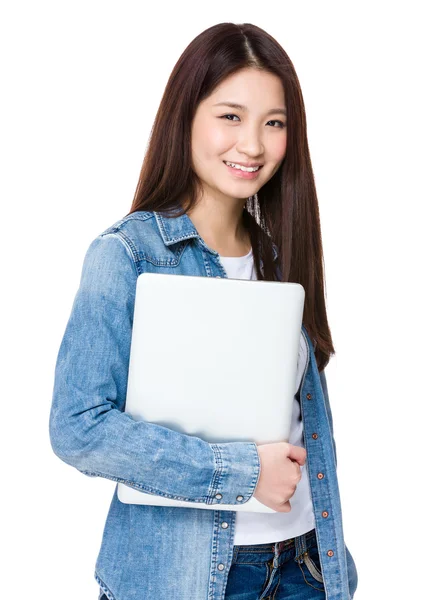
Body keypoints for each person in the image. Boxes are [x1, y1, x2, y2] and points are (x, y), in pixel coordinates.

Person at [49, 22, 358, 600]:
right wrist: (243, 474)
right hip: (188, 579)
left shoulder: (280, 255)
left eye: (275, 123)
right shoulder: (125, 256)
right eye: (231, 116)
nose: (253, 146)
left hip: (307, 567)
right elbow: (77, 427)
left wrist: (335, 565)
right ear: (185, 117)